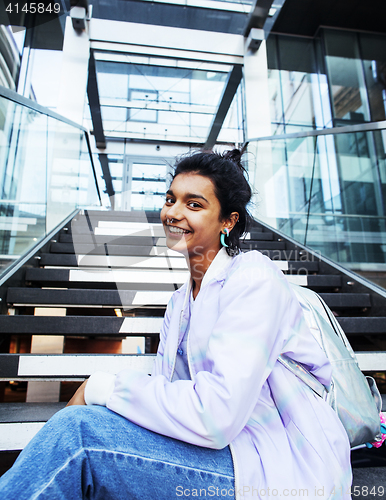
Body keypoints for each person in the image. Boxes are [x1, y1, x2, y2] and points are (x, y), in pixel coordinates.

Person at [0, 149, 352, 500]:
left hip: (278, 465)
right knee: (84, 432)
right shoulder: (179, 303)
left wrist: (102, 389)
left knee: (78, 437)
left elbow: (215, 416)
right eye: (171, 199)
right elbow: (171, 403)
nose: (173, 213)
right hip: (220, 455)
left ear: (228, 222)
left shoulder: (254, 278)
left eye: (194, 205)